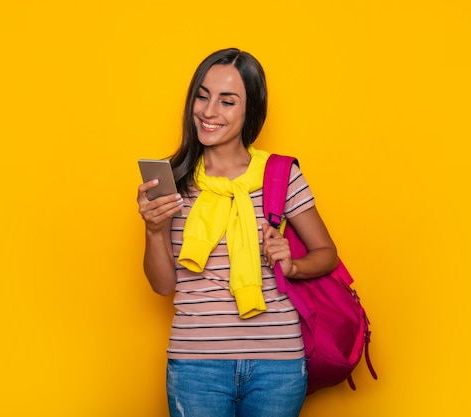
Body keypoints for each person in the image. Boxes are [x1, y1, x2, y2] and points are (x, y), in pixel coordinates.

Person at [137, 48, 338, 417]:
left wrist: (291, 266)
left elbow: (326, 254)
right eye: (202, 95)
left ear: (251, 110)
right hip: (196, 364)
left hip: (278, 364)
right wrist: (153, 231)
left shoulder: (280, 174)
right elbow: (163, 286)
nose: (209, 111)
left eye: (227, 101)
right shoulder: (170, 179)